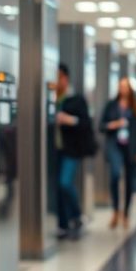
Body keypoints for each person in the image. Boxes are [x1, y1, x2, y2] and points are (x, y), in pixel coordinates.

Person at [54, 63, 96, 240]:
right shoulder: (51, 98)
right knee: (57, 186)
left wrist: (68, 120)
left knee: (64, 183)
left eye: (59, 77)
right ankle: (63, 224)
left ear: (65, 78)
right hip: (54, 149)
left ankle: (77, 214)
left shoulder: (76, 99)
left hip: (71, 149)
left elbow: (86, 123)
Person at [101, 77, 136, 229]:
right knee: (115, 174)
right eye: (121, 86)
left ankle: (126, 213)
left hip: (131, 147)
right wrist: (113, 125)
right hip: (115, 145)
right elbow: (101, 125)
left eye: (126, 86)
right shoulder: (111, 105)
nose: (123, 89)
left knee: (129, 180)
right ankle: (115, 210)